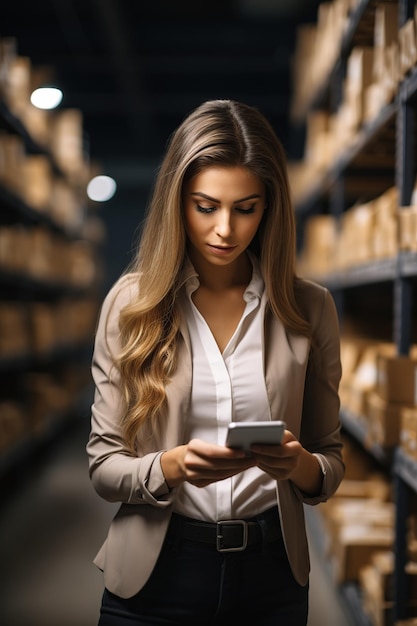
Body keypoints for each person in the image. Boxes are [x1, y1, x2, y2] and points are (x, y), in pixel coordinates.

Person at [87, 99, 344, 626]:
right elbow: (103, 465)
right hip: (156, 573)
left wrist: (298, 466)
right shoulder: (131, 304)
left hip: (271, 576)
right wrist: (171, 466)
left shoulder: (310, 308)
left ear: (269, 206)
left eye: (245, 207)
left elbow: (330, 460)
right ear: (176, 202)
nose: (225, 229)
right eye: (206, 206)